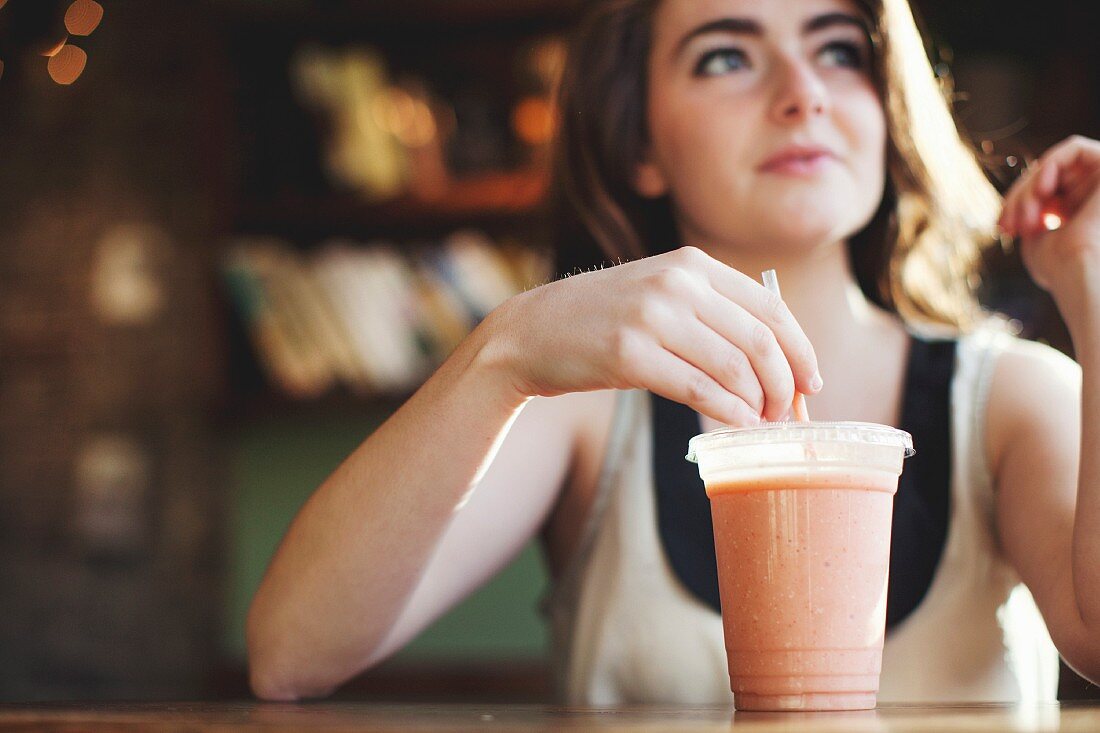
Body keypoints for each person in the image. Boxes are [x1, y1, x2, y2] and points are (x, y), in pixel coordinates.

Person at [245, 0, 1100, 705]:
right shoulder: (579, 411)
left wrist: (1095, 287)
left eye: (839, 49)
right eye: (725, 57)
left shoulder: (1011, 398)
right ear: (640, 146)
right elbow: (291, 652)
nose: (804, 93)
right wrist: (505, 348)